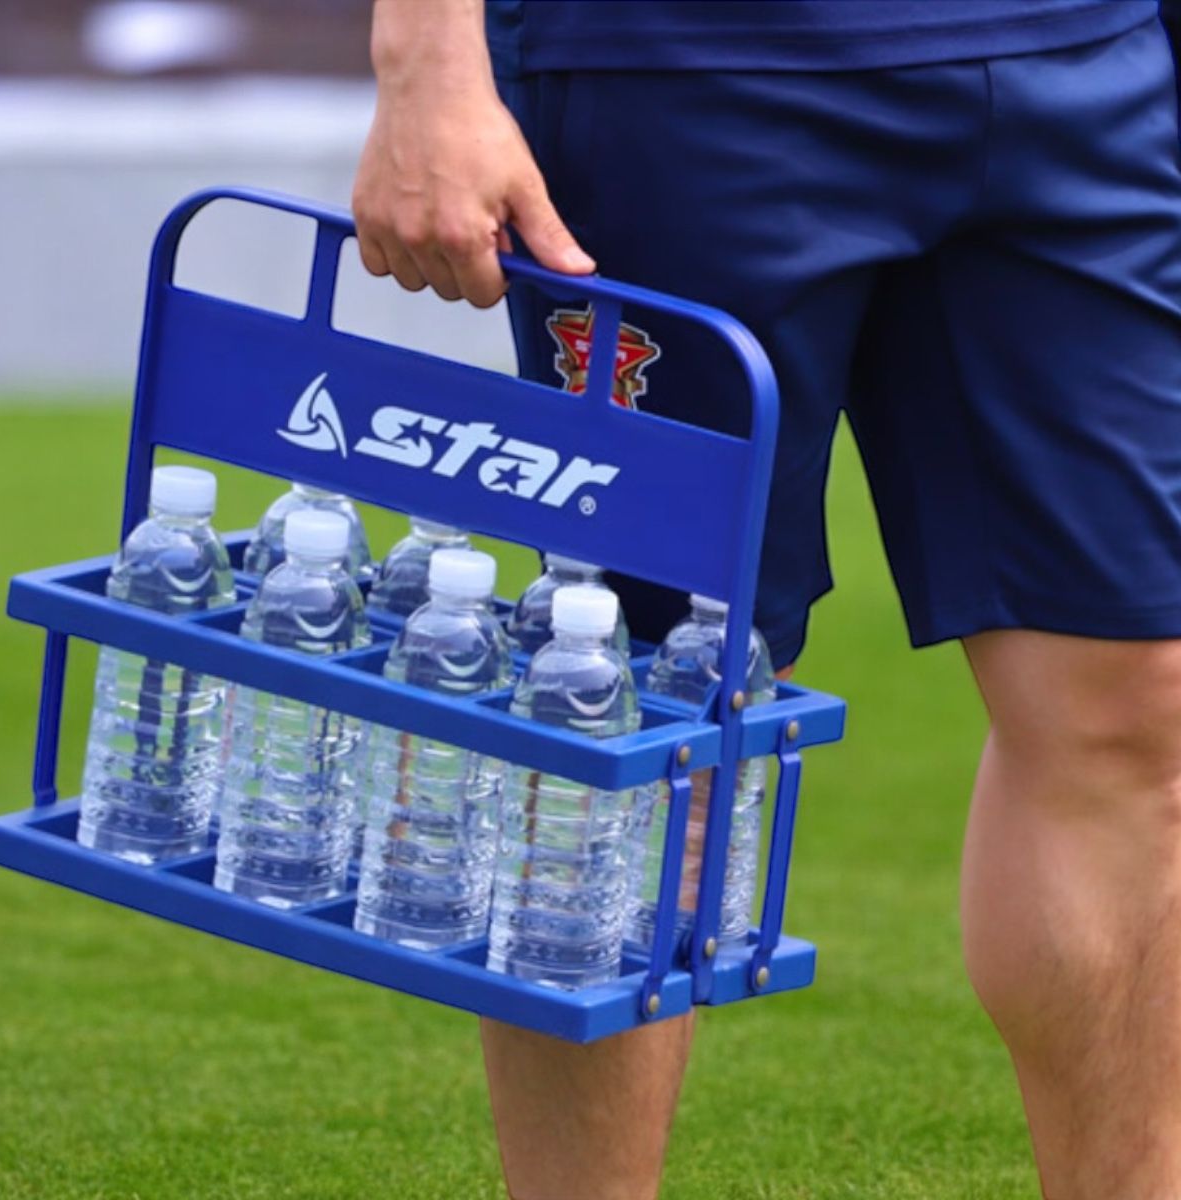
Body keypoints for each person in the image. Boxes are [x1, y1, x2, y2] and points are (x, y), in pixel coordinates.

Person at [352, 2, 1181, 1196]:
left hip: (1075, 51)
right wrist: (423, 52)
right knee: (633, 710)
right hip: (682, 65)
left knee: (1131, 696)